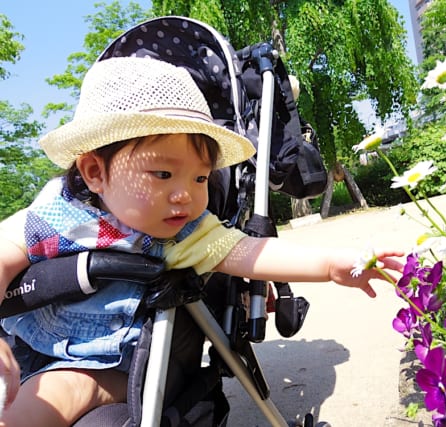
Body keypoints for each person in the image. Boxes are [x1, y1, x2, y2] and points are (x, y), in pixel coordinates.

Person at [0, 56, 404, 426]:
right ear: (94, 172)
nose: (185, 195)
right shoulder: (59, 213)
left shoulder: (184, 233)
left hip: (109, 366)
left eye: (200, 178)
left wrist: (331, 265)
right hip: (28, 345)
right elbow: (5, 250)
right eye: (163, 174)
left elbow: (250, 252)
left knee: (61, 391)